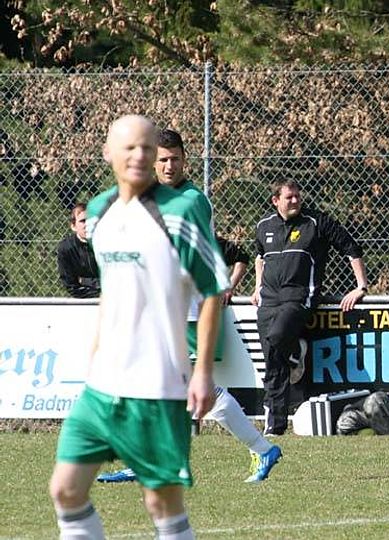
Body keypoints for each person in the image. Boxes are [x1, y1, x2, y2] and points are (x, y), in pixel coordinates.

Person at [49, 115, 228, 538]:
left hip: (159, 389)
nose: (140, 155)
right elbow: (112, 292)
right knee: (65, 490)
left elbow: (213, 291)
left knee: (162, 505)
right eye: (129, 147)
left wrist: (202, 372)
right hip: (102, 387)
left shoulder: (181, 211)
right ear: (108, 153)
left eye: (147, 147)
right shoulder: (98, 213)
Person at [98, 129, 281, 485]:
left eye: (175, 159)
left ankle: (262, 448)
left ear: (185, 160)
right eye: (162, 160)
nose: (169, 166)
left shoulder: (192, 200)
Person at [253, 179, 369, 436]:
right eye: (289, 197)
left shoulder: (316, 222)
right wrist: (257, 286)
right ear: (275, 201)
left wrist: (361, 286)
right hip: (268, 301)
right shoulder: (264, 225)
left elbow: (351, 248)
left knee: (277, 339)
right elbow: (260, 256)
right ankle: (275, 425)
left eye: (297, 195)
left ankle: (296, 350)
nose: (295, 200)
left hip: (299, 298)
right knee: (273, 361)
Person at [55, 202, 100, 298]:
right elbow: (70, 285)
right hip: (82, 298)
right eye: (83, 221)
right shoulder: (66, 248)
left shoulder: (108, 244)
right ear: (73, 226)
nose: (87, 224)